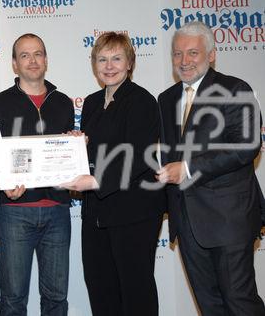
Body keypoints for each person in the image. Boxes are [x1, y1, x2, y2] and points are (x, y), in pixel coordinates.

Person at [157, 21, 265, 315]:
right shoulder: (166, 99)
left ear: (212, 54)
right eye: (177, 54)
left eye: (192, 53)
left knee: (240, 303)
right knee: (209, 306)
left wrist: (189, 168)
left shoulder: (235, 89)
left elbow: (246, 146)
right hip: (187, 222)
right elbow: (168, 156)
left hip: (229, 219)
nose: (184, 61)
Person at [60, 32, 165, 316]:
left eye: (116, 58)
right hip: (97, 211)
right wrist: (78, 145)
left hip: (134, 211)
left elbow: (138, 153)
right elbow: (100, 151)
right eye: (102, 59)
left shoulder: (142, 100)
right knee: (100, 287)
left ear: (130, 63)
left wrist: (95, 180)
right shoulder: (93, 102)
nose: (109, 66)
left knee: (135, 289)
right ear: (94, 64)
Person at [0, 33, 75, 315]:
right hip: (14, 212)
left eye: (38, 53)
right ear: (14, 64)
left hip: (57, 210)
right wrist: (2, 183)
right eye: (25, 55)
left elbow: (68, 158)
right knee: (14, 298)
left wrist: (78, 147)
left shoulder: (64, 102)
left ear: (46, 60)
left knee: (56, 298)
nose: (33, 60)